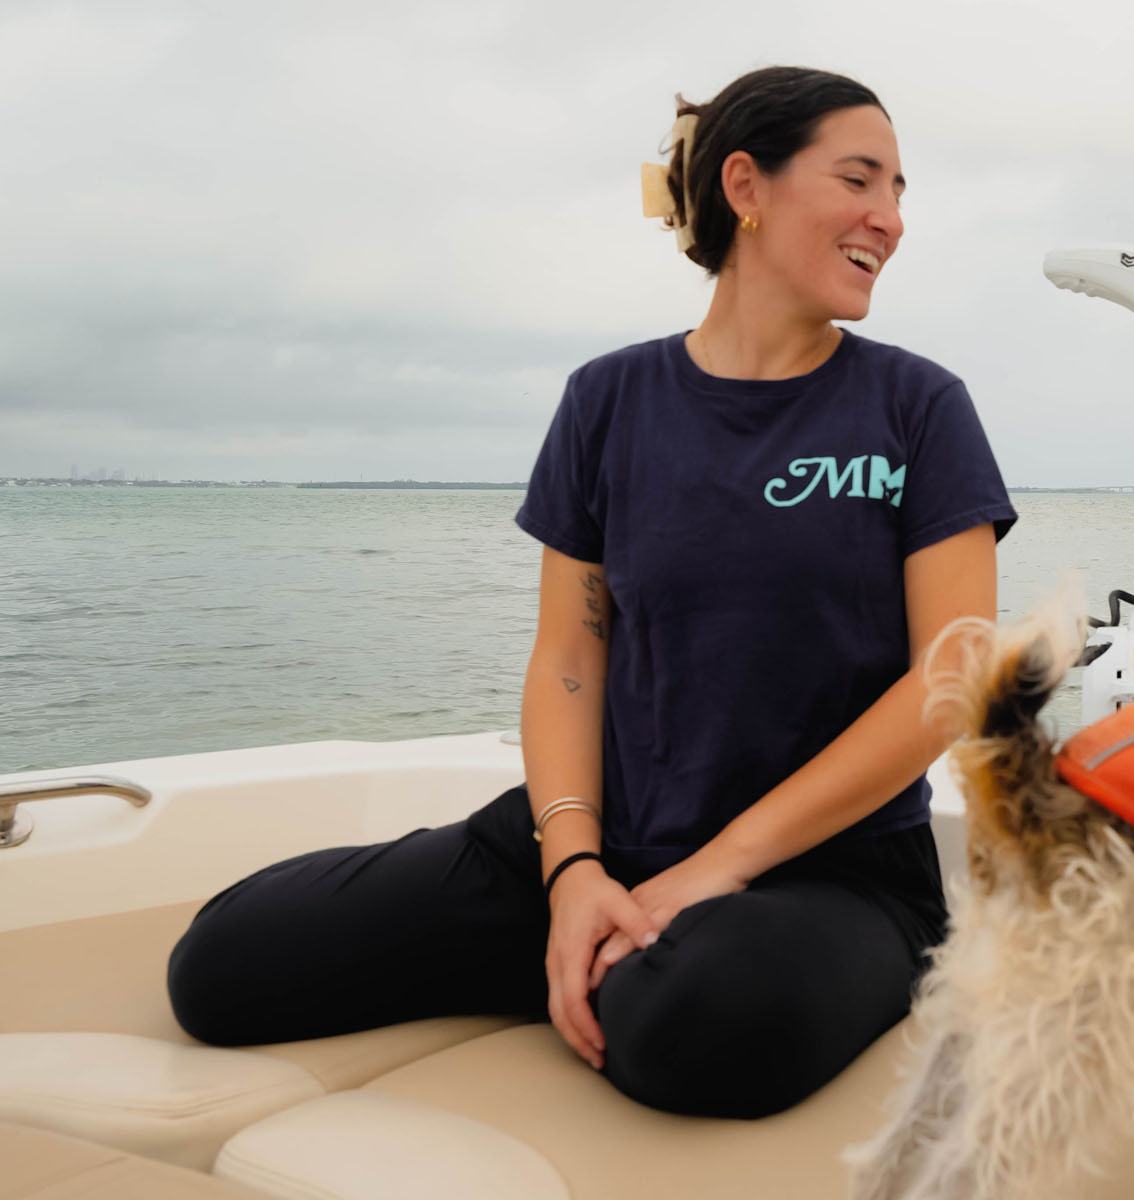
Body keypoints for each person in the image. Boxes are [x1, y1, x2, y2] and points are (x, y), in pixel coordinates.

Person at [168, 66, 1015, 1118]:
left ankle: (628, 949)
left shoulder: (916, 406)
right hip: (604, 831)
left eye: (898, 190)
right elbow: (571, 656)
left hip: (830, 872)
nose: (888, 219)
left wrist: (711, 870)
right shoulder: (610, 398)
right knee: (221, 968)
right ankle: (587, 932)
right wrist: (571, 867)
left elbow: (952, 673)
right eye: (859, 180)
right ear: (745, 186)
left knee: (694, 1025)